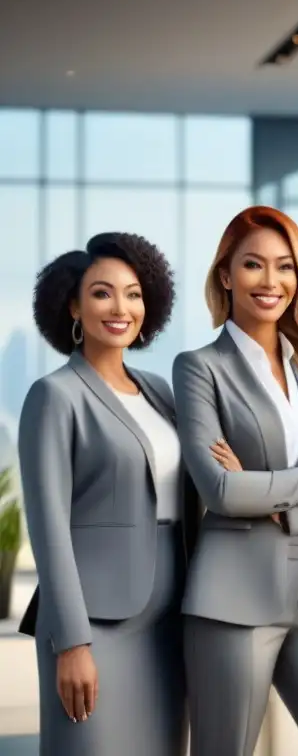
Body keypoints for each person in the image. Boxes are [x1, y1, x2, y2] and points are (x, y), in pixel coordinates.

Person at [172, 205, 298, 756]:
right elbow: (220, 490)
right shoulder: (199, 368)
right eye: (253, 265)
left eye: (285, 266)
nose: (271, 281)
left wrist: (280, 505)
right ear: (225, 275)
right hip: (232, 598)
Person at [18, 232, 197, 755]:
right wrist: (71, 642)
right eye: (102, 293)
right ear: (72, 304)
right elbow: (48, 526)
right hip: (94, 620)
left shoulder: (161, 391)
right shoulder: (55, 396)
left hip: (171, 616)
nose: (121, 307)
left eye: (134, 293)